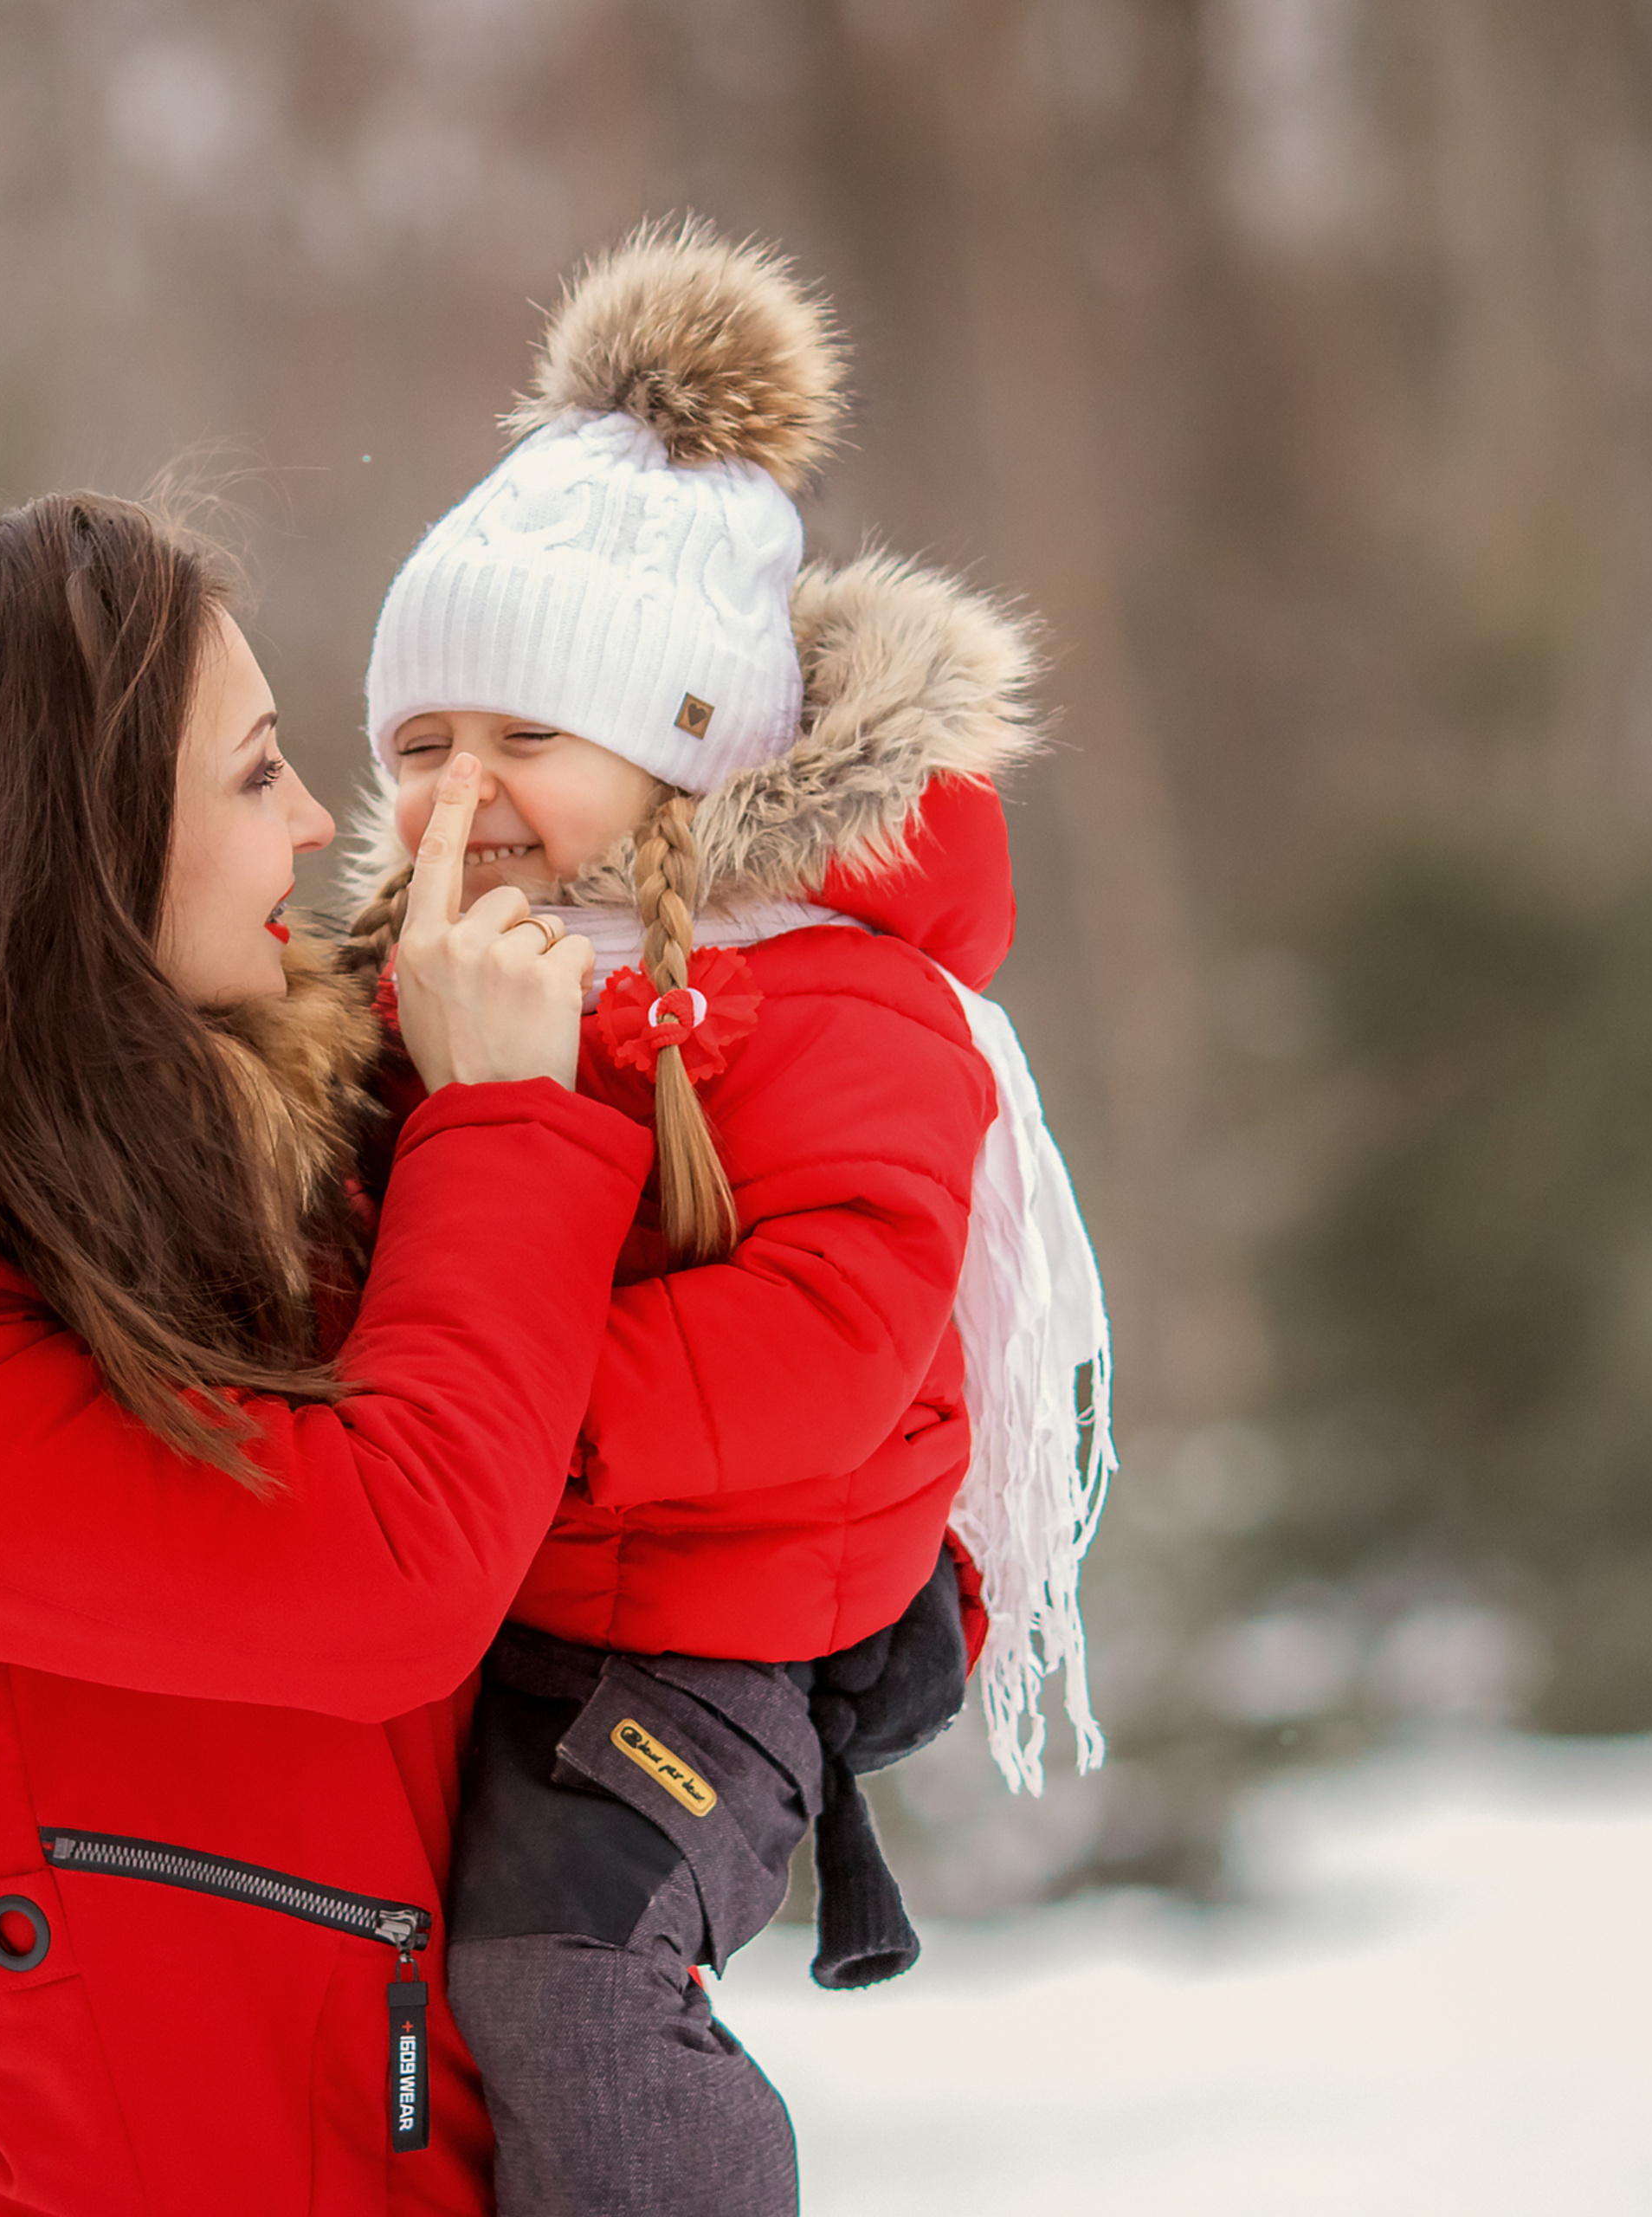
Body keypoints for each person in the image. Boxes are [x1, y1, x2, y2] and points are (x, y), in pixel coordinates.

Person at [0, 490, 652, 2215]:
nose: (319, 823)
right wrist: (498, 1124)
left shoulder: (183, 1170)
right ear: (71, 838)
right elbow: (392, 1567)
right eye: (259, 771)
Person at [345, 222, 1113, 2217]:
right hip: (511, 1590)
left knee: (563, 1971)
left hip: (711, 1625)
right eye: (419, 745)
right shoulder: (417, 976)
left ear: (687, 747)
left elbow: (837, 1327)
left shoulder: (837, 996)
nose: (460, 795)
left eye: (528, 739)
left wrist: (510, 1413)